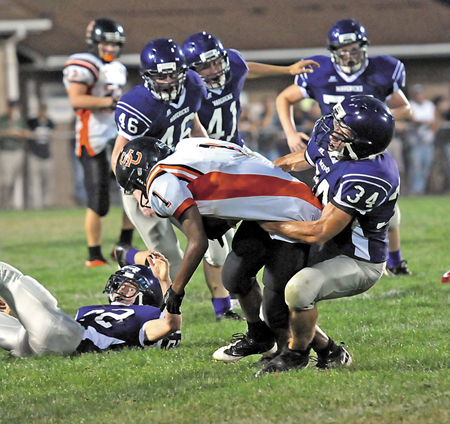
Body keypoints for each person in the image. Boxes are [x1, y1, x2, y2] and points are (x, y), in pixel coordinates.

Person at [115, 135, 323, 351]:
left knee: (275, 305)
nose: (141, 195)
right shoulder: (190, 144)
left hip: (292, 214)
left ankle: (308, 353)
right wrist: (226, 218)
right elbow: (239, 171)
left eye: (136, 187)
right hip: (274, 207)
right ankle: (258, 336)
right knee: (234, 275)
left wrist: (176, 291)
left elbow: (198, 242)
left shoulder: (161, 181)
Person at [247, 95, 399, 375]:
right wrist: (262, 175)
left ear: (364, 143)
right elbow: (299, 160)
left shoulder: (370, 175)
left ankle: (296, 354)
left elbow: (320, 232)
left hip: (357, 258)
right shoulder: (334, 138)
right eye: (338, 124)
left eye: (345, 131)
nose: (334, 132)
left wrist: (271, 224)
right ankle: (329, 350)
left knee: (299, 289)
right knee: (276, 296)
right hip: (329, 244)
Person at [111, 38, 243, 321]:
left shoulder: (193, 85)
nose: (170, 81)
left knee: (220, 246)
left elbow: (194, 126)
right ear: (148, 77)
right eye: (162, 75)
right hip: (142, 183)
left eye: (174, 74)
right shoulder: (138, 105)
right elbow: (118, 156)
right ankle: (163, 319)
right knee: (168, 258)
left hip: (180, 176)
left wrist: (213, 158)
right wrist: (138, 193)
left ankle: (223, 307)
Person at [276, 18, 412, 277]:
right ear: (333, 52)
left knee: (386, 211)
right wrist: (290, 132)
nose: (349, 56)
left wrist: (378, 117)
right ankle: (335, 255)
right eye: (343, 51)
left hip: (366, 152)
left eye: (354, 49)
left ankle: (393, 261)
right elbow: (285, 97)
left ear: (365, 48)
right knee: (329, 203)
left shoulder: (383, 69)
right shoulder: (318, 70)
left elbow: (406, 108)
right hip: (333, 148)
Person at [0, 251, 182, 357]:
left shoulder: (146, 315)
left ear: (147, 294)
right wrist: (15, 312)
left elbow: (171, 324)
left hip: (70, 342)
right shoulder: (89, 310)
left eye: (129, 288)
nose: (119, 291)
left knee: (7, 277)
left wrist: (164, 281)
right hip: (38, 342)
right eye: (118, 285)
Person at [63, 18, 134, 268]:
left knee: (132, 190)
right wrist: (111, 103)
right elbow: (76, 99)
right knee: (98, 200)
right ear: (94, 43)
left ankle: (124, 244)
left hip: (118, 134)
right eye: (106, 43)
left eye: (115, 44)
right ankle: (94, 254)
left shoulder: (118, 69)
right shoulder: (85, 64)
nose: (111, 49)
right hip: (91, 137)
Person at [181, 31, 319, 152]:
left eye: (217, 63)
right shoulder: (183, 89)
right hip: (198, 154)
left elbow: (246, 69)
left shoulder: (233, 66)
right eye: (205, 66)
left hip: (233, 148)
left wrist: (287, 70)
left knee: (272, 175)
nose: (214, 71)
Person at [0, 101, 32, 210]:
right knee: (6, 180)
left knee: (14, 179)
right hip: (6, 152)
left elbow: (28, 133)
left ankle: (9, 203)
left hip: (17, 151)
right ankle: (3, 203)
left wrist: (20, 133)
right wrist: (9, 132)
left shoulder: (20, 121)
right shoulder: (3, 120)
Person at [407, 84, 436, 195]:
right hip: (415, 141)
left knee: (426, 165)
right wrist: (425, 122)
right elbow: (413, 119)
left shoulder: (429, 105)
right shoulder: (411, 105)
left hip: (427, 140)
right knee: (416, 165)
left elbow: (434, 121)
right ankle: (415, 189)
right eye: (417, 94)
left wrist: (427, 123)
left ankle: (422, 189)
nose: (419, 96)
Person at [26, 104, 55, 209]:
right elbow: (26, 132)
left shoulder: (50, 123)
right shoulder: (32, 122)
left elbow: (52, 136)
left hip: (46, 155)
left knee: (47, 181)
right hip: (35, 155)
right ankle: (36, 205)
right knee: (34, 182)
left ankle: (46, 204)